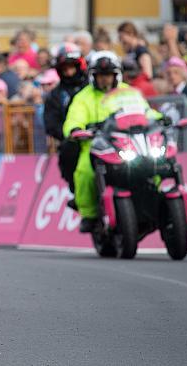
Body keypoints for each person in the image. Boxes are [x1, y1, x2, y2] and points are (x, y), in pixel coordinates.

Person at [63, 51, 158, 233]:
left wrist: (160, 118)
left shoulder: (129, 93)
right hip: (97, 145)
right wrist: (75, 129)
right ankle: (89, 215)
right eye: (100, 75)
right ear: (93, 77)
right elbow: (74, 118)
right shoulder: (84, 97)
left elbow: (146, 112)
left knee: (156, 163)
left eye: (108, 75)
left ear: (117, 76)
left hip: (130, 143)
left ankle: (157, 200)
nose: (104, 80)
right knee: (84, 172)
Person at [43, 44, 88, 204]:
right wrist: (68, 134)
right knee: (68, 154)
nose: (69, 72)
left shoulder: (91, 88)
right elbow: (50, 122)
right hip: (74, 140)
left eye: (72, 67)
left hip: (101, 135)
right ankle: (78, 193)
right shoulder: (56, 95)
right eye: (65, 68)